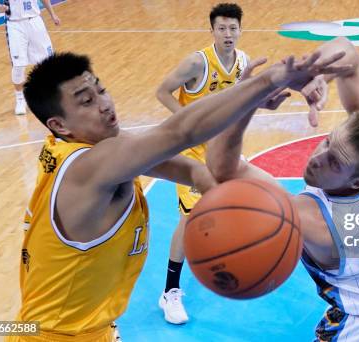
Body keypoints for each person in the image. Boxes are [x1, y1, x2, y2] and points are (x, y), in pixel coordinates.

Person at [6, 50, 344, 341]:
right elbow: (180, 132)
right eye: (86, 101)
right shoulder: (90, 167)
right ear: (60, 125)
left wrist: (232, 213)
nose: (105, 104)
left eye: (102, 90)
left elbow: (192, 170)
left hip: (73, 326)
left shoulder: (86, 148)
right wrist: (268, 81)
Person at [206, 37, 359, 342]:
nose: (317, 158)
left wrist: (249, 97)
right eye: (328, 141)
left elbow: (223, 168)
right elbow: (347, 50)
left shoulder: (313, 218)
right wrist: (318, 74)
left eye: (334, 162)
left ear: (358, 182)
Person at [154, 3, 249, 324]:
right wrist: (188, 123)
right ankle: (169, 292)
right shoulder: (197, 62)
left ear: (240, 29)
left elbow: (237, 101)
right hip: (190, 156)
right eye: (221, 28)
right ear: (212, 31)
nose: (227, 34)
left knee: (232, 205)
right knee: (190, 218)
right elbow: (162, 91)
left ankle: (216, 254)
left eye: (232, 28)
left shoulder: (243, 62)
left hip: (222, 152)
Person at [0, 0, 61, 115]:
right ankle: (20, 100)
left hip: (35, 20)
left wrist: (52, 14)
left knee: (47, 62)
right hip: (15, 24)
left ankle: (48, 95)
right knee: (18, 65)